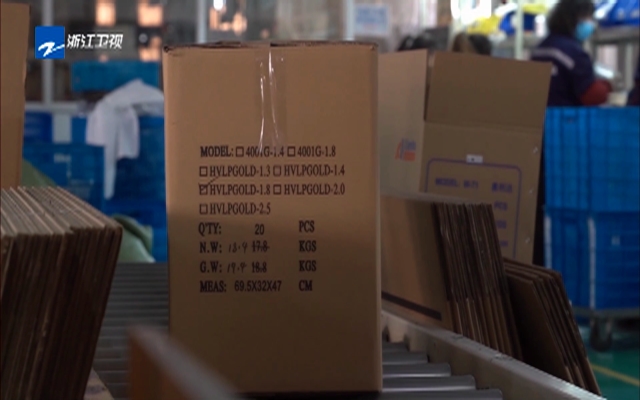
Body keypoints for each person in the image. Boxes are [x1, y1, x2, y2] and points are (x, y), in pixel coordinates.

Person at [530, 0, 611, 267]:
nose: (590, 24)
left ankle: (541, 260)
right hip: (565, 140)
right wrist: (607, 86)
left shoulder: (541, 48)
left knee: (539, 204)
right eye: (588, 17)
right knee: (565, 204)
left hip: (537, 136)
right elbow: (590, 94)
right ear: (575, 17)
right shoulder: (573, 52)